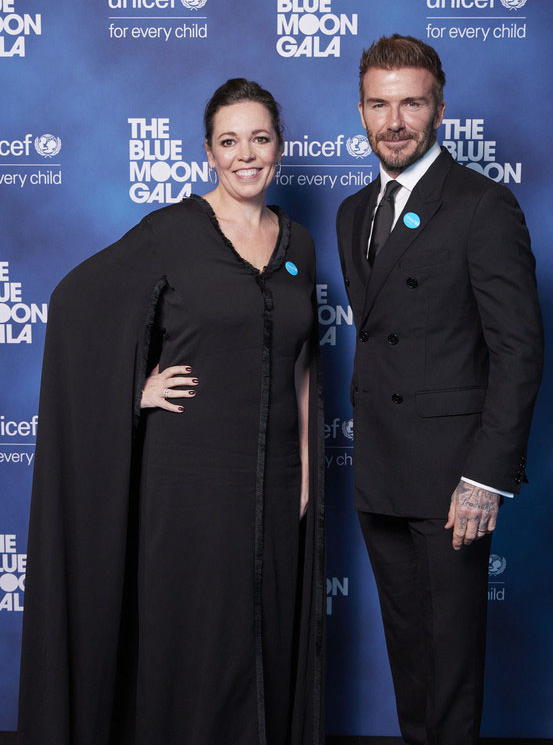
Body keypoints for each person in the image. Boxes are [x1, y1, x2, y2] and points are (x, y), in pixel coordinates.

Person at [18, 79, 325, 745]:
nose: (247, 155)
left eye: (260, 138)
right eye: (230, 141)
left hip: (273, 481)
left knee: (264, 634)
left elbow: (301, 361)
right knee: (189, 642)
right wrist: (129, 388)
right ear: (209, 153)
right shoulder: (172, 232)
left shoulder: (298, 243)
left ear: (280, 147)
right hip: (184, 478)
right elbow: (75, 305)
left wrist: (304, 460)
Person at [336, 35, 543, 745]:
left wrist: (485, 477)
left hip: (454, 477)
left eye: (411, 103)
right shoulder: (352, 210)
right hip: (381, 471)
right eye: (379, 103)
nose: (394, 121)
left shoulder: (483, 206)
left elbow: (518, 348)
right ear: (361, 110)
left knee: (450, 663)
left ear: (440, 109)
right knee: (410, 657)